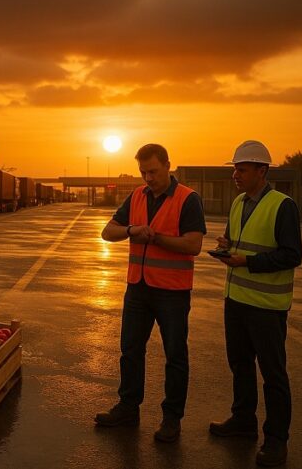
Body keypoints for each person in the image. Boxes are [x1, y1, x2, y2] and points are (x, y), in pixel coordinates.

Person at [95, 143, 206, 443]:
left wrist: (156, 238)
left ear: (169, 166)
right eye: (143, 172)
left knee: (175, 356)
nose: (148, 178)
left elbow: (193, 245)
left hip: (172, 291)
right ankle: (128, 408)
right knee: (130, 350)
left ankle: (172, 420)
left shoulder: (188, 199)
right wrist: (131, 230)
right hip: (139, 288)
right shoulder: (136, 196)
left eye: (153, 171)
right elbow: (108, 232)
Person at [209, 140, 302, 467]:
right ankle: (243, 421)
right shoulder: (238, 202)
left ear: (262, 171)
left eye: (242, 169)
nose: (236, 174)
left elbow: (292, 255)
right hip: (235, 300)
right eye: (234, 168)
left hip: (266, 304)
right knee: (240, 364)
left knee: (273, 374)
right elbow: (236, 241)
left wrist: (246, 261)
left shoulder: (282, 205)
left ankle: (277, 440)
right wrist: (226, 245)